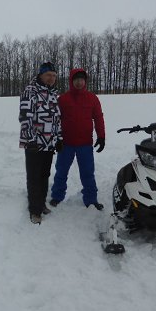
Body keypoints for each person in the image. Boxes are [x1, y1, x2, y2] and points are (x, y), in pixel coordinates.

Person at [50, 68, 105, 210]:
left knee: (87, 173)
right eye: (76, 80)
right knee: (61, 171)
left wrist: (101, 136)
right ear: (71, 81)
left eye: (81, 80)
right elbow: (56, 120)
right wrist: (57, 139)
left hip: (85, 144)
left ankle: (91, 199)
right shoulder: (63, 99)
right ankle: (57, 196)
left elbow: (98, 118)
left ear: (85, 81)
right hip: (66, 143)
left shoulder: (92, 98)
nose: (79, 82)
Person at [19, 62, 63, 224]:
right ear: (41, 75)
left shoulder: (53, 93)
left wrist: (59, 139)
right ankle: (34, 210)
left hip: (49, 143)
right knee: (34, 177)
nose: (51, 78)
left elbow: (57, 119)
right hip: (34, 143)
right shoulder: (30, 91)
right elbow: (25, 117)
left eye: (54, 75)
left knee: (44, 175)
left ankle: (41, 203)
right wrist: (30, 140)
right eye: (48, 75)